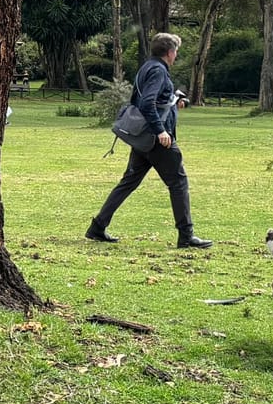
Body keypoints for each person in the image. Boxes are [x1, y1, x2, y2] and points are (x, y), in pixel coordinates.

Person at [87, 32, 213, 249]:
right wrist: (161, 131)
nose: (176, 56)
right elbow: (147, 103)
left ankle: (98, 226)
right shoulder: (158, 70)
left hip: (142, 138)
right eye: (176, 52)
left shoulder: (148, 67)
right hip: (156, 139)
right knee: (179, 182)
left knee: (129, 182)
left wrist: (174, 102)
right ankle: (186, 235)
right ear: (170, 52)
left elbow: (151, 98)